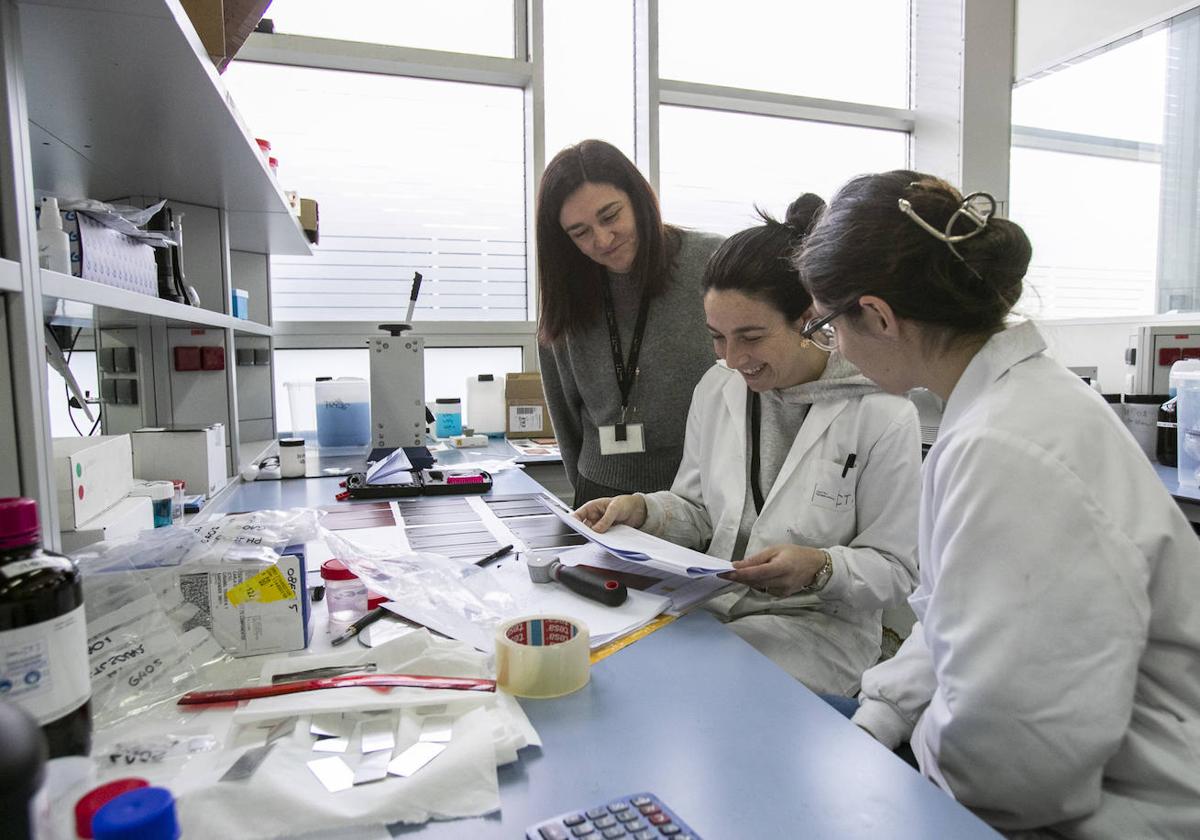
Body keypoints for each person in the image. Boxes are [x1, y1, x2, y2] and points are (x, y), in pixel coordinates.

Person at [795, 170, 1200, 836]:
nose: (832, 347)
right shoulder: (1001, 407)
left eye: (827, 326)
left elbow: (1020, 764)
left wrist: (893, 770)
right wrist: (879, 721)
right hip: (1029, 775)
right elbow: (951, 620)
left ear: (878, 315)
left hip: (1122, 809)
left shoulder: (1008, 447)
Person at [575, 196, 921, 694]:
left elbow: (897, 571)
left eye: (751, 337)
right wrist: (643, 511)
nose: (733, 358)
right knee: (612, 672)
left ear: (807, 319)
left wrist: (821, 568)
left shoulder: (882, 412)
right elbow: (698, 511)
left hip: (815, 629)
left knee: (695, 692)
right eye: (717, 336)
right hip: (713, 609)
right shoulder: (719, 388)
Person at [536, 140, 724, 506]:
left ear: (638, 199)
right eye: (580, 232)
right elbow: (564, 412)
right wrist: (584, 486)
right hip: (601, 491)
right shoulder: (566, 290)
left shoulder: (711, 261)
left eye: (610, 216)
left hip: (703, 488)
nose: (602, 240)